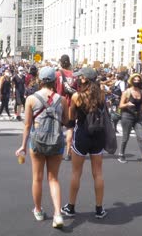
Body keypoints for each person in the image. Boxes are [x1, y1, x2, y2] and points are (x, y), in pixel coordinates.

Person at [15, 66, 68, 228]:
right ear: (54, 81)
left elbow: (27, 125)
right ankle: (58, 214)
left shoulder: (31, 98)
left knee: (37, 178)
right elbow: (67, 122)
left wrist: (23, 146)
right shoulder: (62, 99)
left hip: (37, 142)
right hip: (56, 142)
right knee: (53, 179)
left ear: (40, 80)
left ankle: (38, 210)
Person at [61, 67, 107, 220]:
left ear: (85, 79)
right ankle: (99, 209)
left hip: (82, 135)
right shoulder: (102, 94)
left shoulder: (77, 97)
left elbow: (71, 117)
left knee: (76, 173)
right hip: (98, 135)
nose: (78, 79)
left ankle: (71, 207)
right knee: (98, 173)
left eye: (80, 77)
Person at [117, 73, 142, 166]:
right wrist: (127, 104)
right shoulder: (127, 92)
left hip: (138, 117)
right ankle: (121, 154)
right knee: (125, 137)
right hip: (127, 116)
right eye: (135, 80)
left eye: (138, 80)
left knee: (141, 137)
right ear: (131, 81)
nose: (136, 82)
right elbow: (120, 105)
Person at [55, 54, 75, 161]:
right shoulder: (74, 75)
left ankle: (58, 151)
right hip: (71, 106)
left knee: (58, 129)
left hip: (59, 104)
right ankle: (68, 153)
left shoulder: (57, 74)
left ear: (61, 62)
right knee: (70, 129)